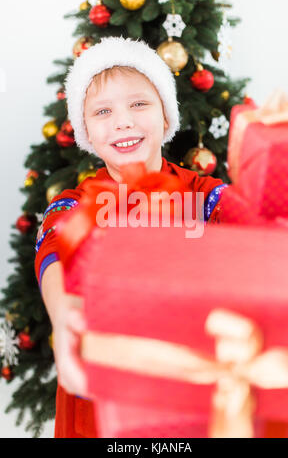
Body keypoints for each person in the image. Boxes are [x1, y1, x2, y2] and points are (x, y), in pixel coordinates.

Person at [34, 36, 228, 438]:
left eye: (139, 104)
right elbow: (53, 248)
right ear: (86, 129)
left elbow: (257, 223)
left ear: (166, 115)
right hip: (103, 402)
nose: (123, 121)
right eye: (103, 111)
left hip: (191, 396)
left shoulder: (204, 195)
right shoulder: (75, 204)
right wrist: (65, 315)